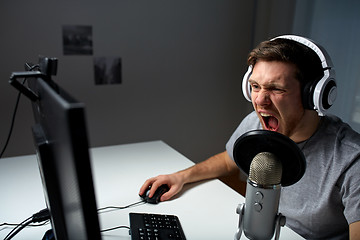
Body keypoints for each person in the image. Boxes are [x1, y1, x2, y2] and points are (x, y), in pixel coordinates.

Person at [139, 35, 360, 239]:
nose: (260, 100)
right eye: (255, 86)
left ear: (312, 95)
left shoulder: (351, 159)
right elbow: (228, 160)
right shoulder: (256, 124)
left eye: (276, 89)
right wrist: (181, 177)